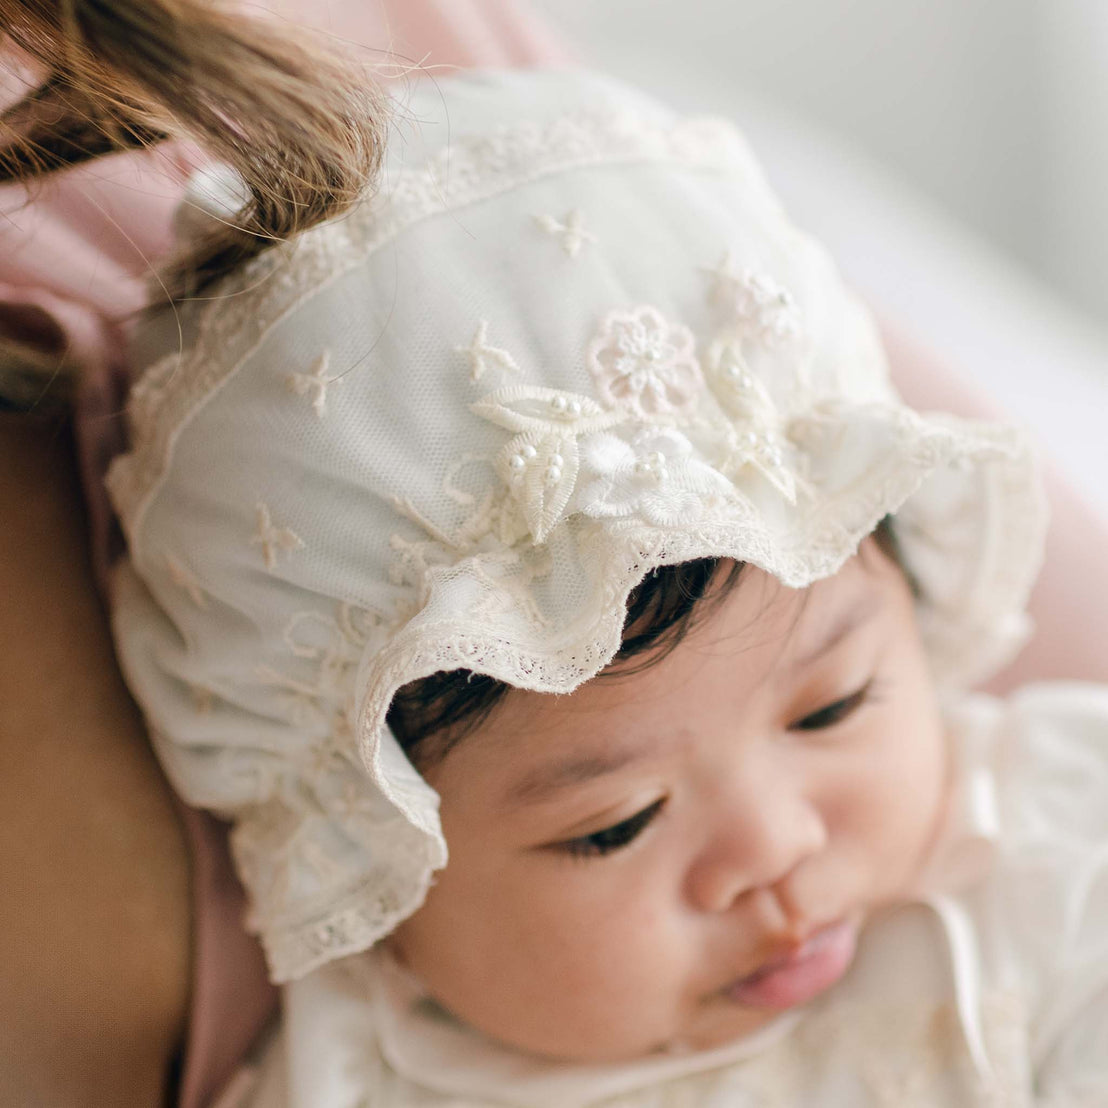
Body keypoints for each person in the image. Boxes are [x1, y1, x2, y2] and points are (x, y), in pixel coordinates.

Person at [3, 6, 1108, 1108]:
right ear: (366, 859)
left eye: (834, 705)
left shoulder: (1052, 848)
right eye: (614, 824)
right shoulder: (357, 1080)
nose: (777, 847)